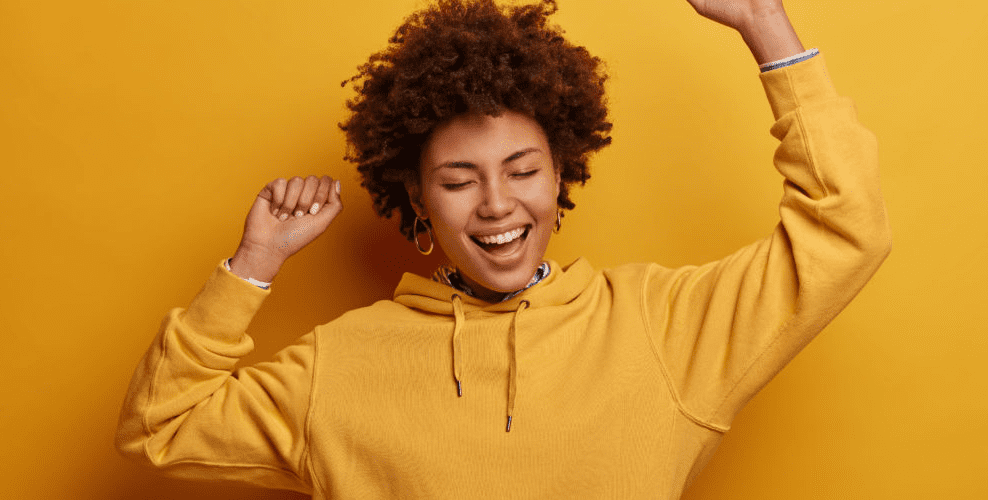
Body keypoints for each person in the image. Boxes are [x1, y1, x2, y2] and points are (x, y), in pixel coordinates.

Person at [116, 0, 891, 498]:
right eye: (458, 180)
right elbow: (159, 425)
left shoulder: (664, 328)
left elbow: (844, 228)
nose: (496, 204)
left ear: (561, 175)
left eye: (523, 171)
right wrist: (254, 264)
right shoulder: (340, 364)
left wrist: (765, 24)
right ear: (418, 200)